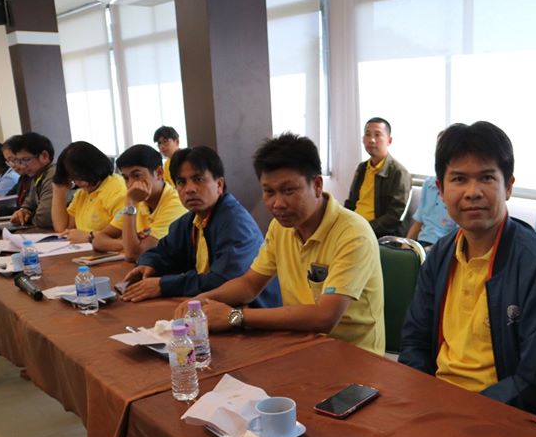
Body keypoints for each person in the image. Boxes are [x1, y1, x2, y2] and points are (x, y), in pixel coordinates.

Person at [399, 122, 536, 416]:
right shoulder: (440, 255)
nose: (472, 192)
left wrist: (463, 411)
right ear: (441, 190)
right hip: (437, 406)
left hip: (503, 417)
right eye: (459, 179)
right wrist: (425, 398)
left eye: (486, 178)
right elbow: (414, 342)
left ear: (508, 186)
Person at [173, 133, 384, 355]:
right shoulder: (280, 227)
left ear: (317, 185)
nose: (278, 203)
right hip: (300, 344)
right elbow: (250, 284)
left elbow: (325, 317)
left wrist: (235, 316)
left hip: (355, 357)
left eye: (289, 190)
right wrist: (203, 299)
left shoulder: (353, 233)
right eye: (269, 192)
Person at [122, 146, 280, 306]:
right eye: (181, 182)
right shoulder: (190, 221)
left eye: (198, 179)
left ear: (219, 185)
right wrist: (150, 264)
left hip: (247, 314)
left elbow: (222, 281)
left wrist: (163, 285)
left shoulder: (235, 223)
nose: (189, 189)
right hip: (210, 308)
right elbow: (162, 252)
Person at [92, 144, 188, 261]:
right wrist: (128, 243)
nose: (130, 184)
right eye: (126, 178)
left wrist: (131, 203)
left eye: (137, 176)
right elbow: (98, 240)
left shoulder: (175, 203)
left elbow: (134, 254)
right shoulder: (138, 200)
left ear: (159, 173)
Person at [343, 117, 411, 237]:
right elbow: (351, 203)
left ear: (389, 140)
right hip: (355, 227)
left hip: (377, 234)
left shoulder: (399, 173)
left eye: (378, 135)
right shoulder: (362, 168)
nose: (372, 140)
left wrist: (364, 228)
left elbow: (395, 216)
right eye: (368, 134)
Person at [51, 141, 126, 243]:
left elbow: (124, 232)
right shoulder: (83, 193)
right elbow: (62, 229)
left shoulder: (117, 189)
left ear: (94, 167)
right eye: (73, 178)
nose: (77, 183)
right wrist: (58, 190)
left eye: (81, 176)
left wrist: (89, 237)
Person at [8, 132, 57, 229]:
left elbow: (45, 218)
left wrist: (28, 217)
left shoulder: (54, 175)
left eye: (26, 159)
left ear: (44, 156)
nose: (22, 166)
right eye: (19, 161)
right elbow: (28, 203)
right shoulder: (37, 175)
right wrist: (23, 211)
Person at [406, 175, 456, 248]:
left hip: (444, 245)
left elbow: (458, 234)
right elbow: (419, 221)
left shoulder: (456, 189)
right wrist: (406, 242)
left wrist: (432, 249)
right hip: (422, 242)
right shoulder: (428, 183)